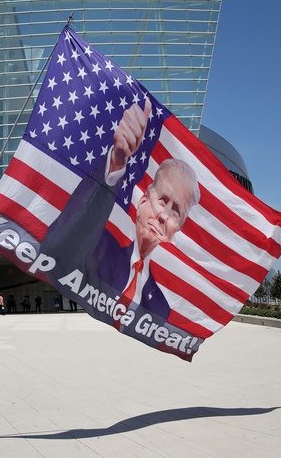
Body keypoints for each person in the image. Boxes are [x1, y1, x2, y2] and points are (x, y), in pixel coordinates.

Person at [42, 98, 200, 324]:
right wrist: (116, 160)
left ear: (178, 228)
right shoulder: (97, 247)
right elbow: (58, 246)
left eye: (176, 212)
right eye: (162, 200)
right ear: (144, 199)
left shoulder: (160, 308)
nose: (164, 215)